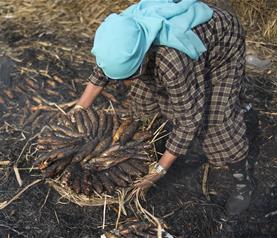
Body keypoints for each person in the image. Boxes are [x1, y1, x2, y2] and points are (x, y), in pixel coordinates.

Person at [74, 0, 253, 216]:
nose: (124, 83)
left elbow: (189, 119)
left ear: (141, 60)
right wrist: (78, 109)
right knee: (142, 102)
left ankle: (243, 183)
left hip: (221, 47)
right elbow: (105, 68)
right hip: (169, 51)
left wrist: (159, 171)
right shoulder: (120, 34)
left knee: (214, 122)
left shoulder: (172, 60)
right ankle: (154, 151)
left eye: (129, 76)